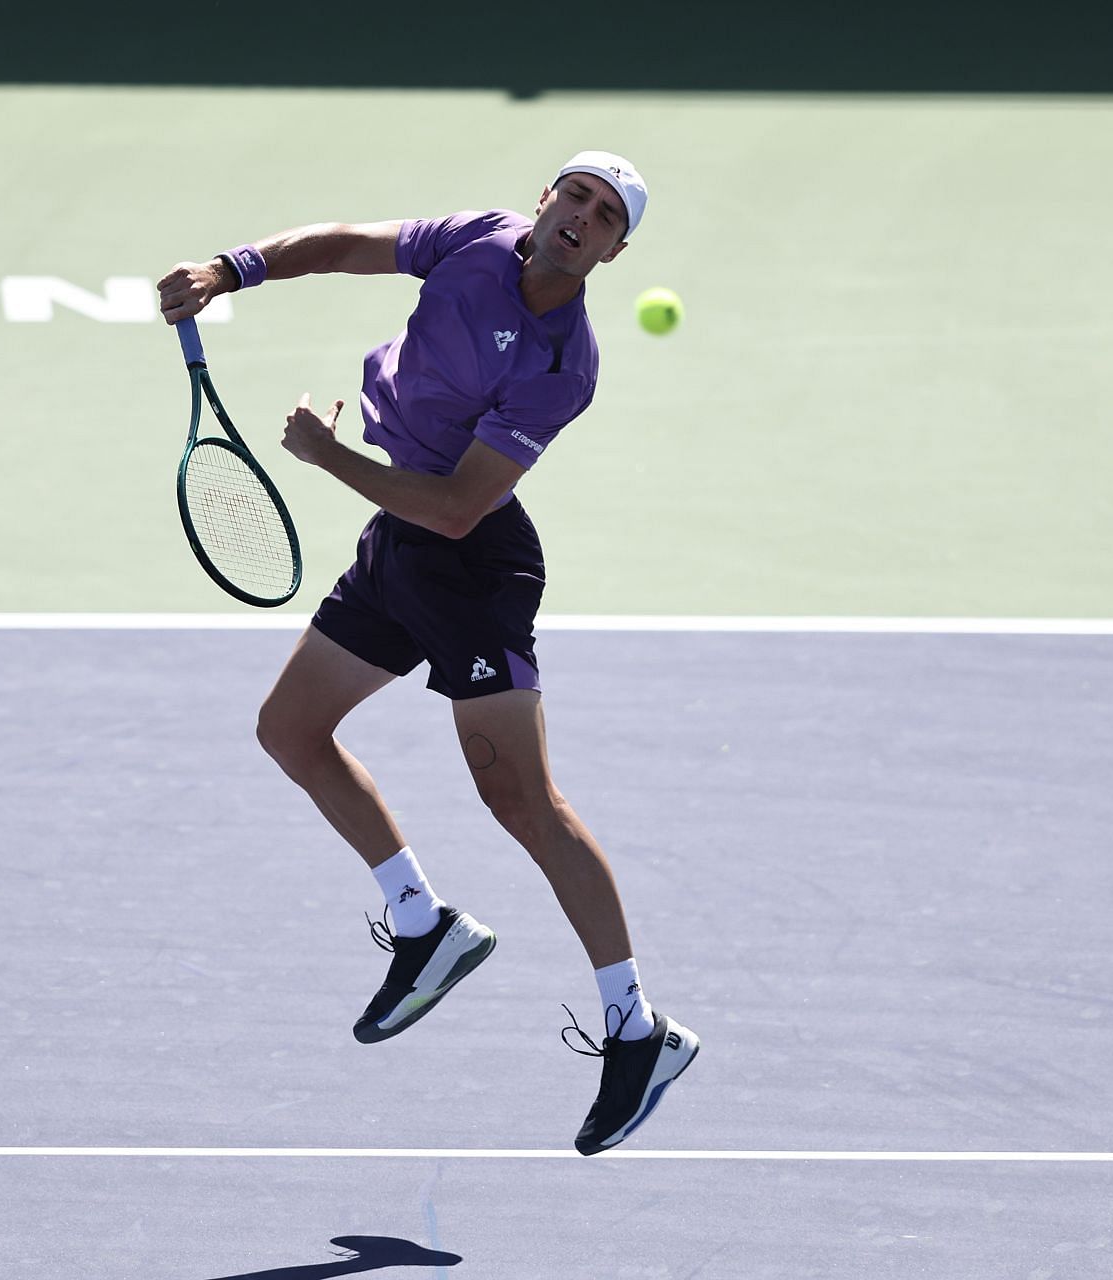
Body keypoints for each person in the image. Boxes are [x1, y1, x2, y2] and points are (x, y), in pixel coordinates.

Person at [157, 152, 698, 1155]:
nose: (583, 215)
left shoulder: (558, 365)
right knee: (291, 729)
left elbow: (457, 509)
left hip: (472, 564)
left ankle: (638, 1025)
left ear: (618, 252)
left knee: (523, 804)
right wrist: (231, 270)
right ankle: (425, 924)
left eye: (607, 215)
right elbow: (345, 245)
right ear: (544, 202)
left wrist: (330, 459)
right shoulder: (474, 239)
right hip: (403, 538)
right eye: (575, 194)